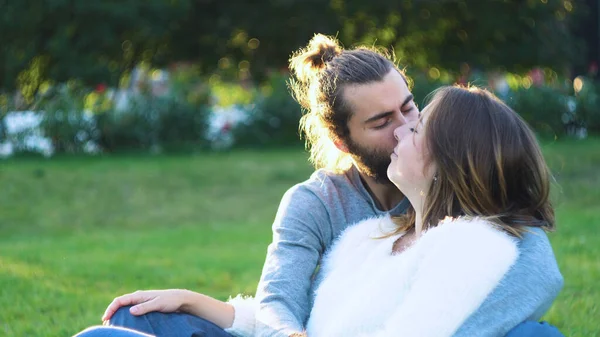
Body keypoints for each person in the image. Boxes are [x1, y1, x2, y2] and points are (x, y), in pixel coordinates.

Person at [75, 35, 563, 337]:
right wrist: (200, 302)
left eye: (410, 112)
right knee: (129, 323)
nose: (402, 129)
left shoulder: (473, 238)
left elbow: (534, 269)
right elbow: (280, 308)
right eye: (381, 122)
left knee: (533, 335)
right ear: (341, 137)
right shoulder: (349, 224)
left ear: (449, 158)